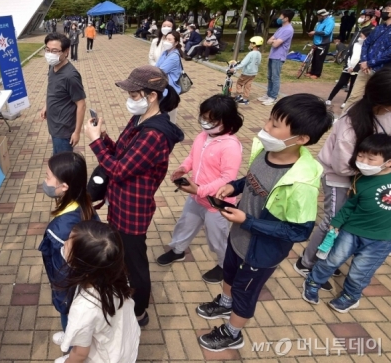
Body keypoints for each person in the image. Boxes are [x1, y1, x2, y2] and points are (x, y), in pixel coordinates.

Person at [196, 94, 332, 352]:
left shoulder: (301, 183)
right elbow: (251, 180)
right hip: (238, 237)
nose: (265, 127)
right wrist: (231, 185)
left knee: (245, 292)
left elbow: (299, 230)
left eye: (275, 125)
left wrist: (247, 221)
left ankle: (232, 332)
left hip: (261, 252)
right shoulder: (266, 149)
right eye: (269, 119)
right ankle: (225, 302)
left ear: (301, 139)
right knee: (228, 273)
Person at [84, 65, 184, 327]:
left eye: (134, 94)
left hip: (134, 208)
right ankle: (124, 288)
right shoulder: (140, 121)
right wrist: (104, 137)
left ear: (152, 96)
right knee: (123, 254)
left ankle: (140, 310)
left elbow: (118, 169)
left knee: (135, 260)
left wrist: (94, 142)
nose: (130, 99)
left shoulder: (155, 134)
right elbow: (121, 154)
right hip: (120, 201)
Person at [293, 69, 391, 289]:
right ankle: (307, 262)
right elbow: (341, 166)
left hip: (365, 178)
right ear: (383, 101)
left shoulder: (385, 113)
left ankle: (327, 258)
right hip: (339, 178)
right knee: (333, 221)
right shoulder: (350, 125)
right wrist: (374, 170)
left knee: (346, 222)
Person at [157, 95, 243, 284]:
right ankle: (177, 250)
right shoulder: (203, 136)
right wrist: (183, 168)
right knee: (184, 225)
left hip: (217, 204)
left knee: (217, 238)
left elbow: (227, 178)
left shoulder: (231, 146)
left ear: (226, 121)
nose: (206, 122)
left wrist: (200, 190)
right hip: (196, 198)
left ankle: (224, 265)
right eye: (204, 117)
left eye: (212, 120)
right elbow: (192, 156)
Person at [301, 133, 391, 313]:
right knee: (332, 259)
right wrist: (337, 222)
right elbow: (350, 204)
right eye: (360, 155)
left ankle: (350, 296)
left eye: (370, 158)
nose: (363, 161)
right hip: (351, 231)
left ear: (388, 162)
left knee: (361, 270)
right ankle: (313, 282)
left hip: (381, 240)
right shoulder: (360, 178)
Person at [52, 220, 140, 363]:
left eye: (68, 243)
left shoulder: (83, 308)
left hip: (106, 357)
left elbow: (80, 354)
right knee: (86, 328)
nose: (64, 243)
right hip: (124, 339)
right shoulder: (114, 271)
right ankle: (75, 335)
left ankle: (78, 337)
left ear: (82, 264)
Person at [38, 152, 98, 332]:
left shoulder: (60, 230)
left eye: (48, 177)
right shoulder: (84, 203)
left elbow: (60, 270)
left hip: (69, 292)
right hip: (84, 285)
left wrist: (60, 297)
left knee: (70, 321)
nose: (45, 181)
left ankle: (70, 347)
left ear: (64, 186)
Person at [40, 33, 86, 155]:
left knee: (63, 167)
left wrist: (77, 132)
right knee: (57, 160)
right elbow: (52, 89)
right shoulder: (52, 66)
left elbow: (81, 104)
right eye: (47, 50)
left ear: (66, 52)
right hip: (53, 124)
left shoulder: (70, 76)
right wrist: (46, 106)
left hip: (64, 130)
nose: (50, 54)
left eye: (55, 51)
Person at [347, 1, 391, 107]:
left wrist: (370, 63)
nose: (385, 11)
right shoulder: (379, 28)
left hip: (381, 73)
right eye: (385, 9)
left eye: (388, 9)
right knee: (354, 98)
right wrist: (364, 61)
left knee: (376, 103)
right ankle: (344, 122)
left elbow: (389, 53)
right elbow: (366, 43)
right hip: (365, 69)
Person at [325, 26, 372, 109]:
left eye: (361, 36)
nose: (359, 38)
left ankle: (346, 102)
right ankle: (329, 98)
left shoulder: (368, 48)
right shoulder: (355, 44)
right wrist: (348, 65)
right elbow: (349, 55)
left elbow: (363, 59)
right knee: (340, 83)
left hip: (357, 69)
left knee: (352, 86)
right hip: (348, 67)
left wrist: (355, 68)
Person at [260, 9, 295, 106]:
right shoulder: (281, 28)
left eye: (281, 16)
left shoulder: (288, 29)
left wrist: (274, 41)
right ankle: (268, 94)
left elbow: (275, 44)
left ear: (286, 18)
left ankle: (273, 97)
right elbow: (269, 41)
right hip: (272, 55)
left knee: (275, 77)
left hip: (279, 57)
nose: (279, 18)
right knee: (269, 76)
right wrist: (273, 40)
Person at [155, 31, 184, 123]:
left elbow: (160, 71)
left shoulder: (174, 56)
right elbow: (156, 67)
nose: (166, 41)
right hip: (163, 88)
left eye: (169, 39)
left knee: (167, 117)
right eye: (166, 39)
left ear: (176, 43)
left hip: (169, 90)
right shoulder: (165, 53)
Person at [231, 36, 263, 104]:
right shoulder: (259, 53)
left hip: (246, 73)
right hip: (253, 73)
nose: (250, 44)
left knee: (239, 83)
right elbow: (259, 63)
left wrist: (234, 68)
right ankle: (245, 99)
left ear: (254, 44)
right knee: (248, 85)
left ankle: (239, 96)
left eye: (251, 43)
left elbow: (244, 63)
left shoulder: (251, 53)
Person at [307, 9, 335, 79]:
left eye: (319, 16)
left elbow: (326, 32)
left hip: (324, 43)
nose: (318, 18)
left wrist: (315, 33)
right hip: (317, 42)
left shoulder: (330, 22)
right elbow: (318, 31)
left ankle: (317, 74)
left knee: (319, 59)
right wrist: (313, 34)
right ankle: (312, 72)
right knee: (314, 58)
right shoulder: (320, 22)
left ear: (323, 16)